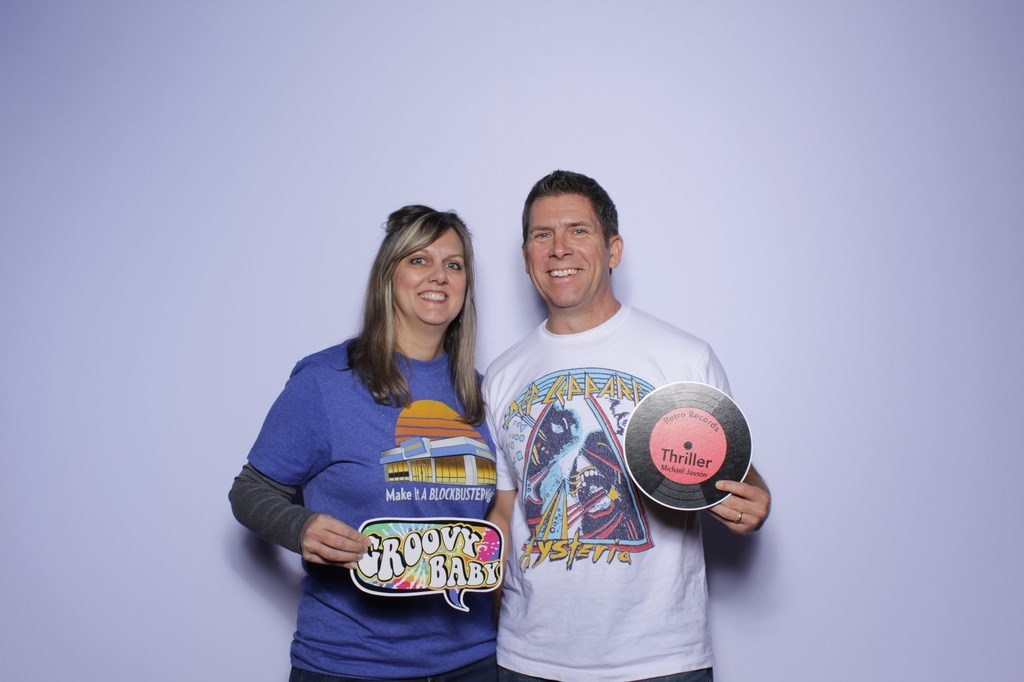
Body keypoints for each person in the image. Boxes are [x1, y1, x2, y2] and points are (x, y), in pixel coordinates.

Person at [484, 171, 771, 681]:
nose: (559, 248)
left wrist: (752, 497)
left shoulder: (683, 359)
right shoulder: (502, 375)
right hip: (529, 658)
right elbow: (506, 508)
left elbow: (731, 471)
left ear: (613, 250)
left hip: (660, 660)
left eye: (578, 230)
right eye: (542, 235)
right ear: (526, 257)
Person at [230, 205, 500, 681]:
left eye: (454, 264)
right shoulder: (326, 381)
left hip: (472, 662)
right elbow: (249, 491)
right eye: (419, 260)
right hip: (348, 665)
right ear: (388, 275)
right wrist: (299, 526)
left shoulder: (485, 393)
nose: (438, 276)